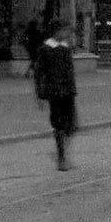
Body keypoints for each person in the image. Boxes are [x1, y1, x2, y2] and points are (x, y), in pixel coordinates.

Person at [35, 19, 78, 171]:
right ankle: (61, 157)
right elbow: (39, 73)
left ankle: (63, 154)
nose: (67, 34)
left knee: (72, 125)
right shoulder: (46, 49)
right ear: (57, 32)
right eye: (65, 31)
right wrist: (40, 95)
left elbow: (70, 71)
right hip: (55, 92)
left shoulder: (65, 49)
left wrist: (73, 89)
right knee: (59, 125)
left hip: (68, 92)